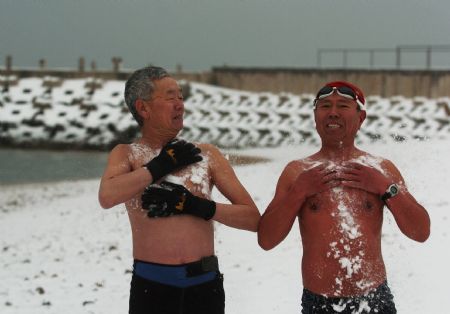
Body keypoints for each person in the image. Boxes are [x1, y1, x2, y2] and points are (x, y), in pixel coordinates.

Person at [257, 81, 430, 314]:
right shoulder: (297, 172)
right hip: (320, 303)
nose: (333, 112)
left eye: (343, 106)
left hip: (375, 299)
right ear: (315, 116)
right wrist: (299, 191)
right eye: (325, 106)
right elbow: (267, 239)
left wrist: (385, 187)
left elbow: (420, 232)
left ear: (361, 117)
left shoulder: (381, 168)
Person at [98, 66, 260, 314]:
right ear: (144, 108)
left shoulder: (206, 155)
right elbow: (107, 196)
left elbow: (252, 218)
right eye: (171, 97)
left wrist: (198, 206)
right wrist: (160, 166)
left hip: (205, 286)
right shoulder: (127, 154)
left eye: (181, 97)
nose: (180, 105)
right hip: (152, 288)